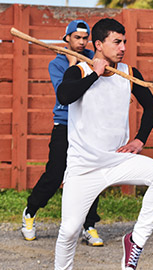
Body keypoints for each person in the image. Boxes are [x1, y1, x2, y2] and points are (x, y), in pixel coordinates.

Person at [54, 18, 153, 270]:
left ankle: (135, 241)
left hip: (118, 160)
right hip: (83, 167)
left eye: (124, 42)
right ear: (98, 44)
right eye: (116, 42)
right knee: (69, 232)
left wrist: (140, 139)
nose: (122, 48)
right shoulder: (79, 71)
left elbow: (151, 107)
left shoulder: (129, 74)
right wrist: (96, 74)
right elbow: (64, 96)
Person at [21, 20, 104, 246]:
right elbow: (63, 94)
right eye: (77, 37)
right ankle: (30, 212)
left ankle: (89, 225)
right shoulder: (57, 64)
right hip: (65, 125)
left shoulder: (95, 59)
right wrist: (72, 64)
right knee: (55, 174)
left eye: (84, 38)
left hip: (88, 126)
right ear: (66, 38)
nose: (81, 42)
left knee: (91, 175)